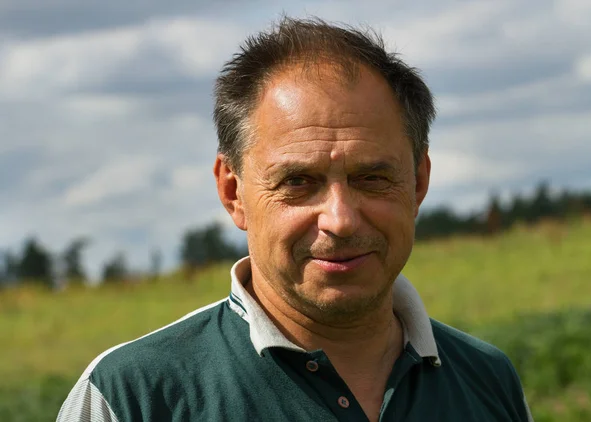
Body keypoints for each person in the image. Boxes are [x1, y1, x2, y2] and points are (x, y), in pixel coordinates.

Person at [57, 17, 534, 422]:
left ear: (419, 182)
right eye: (298, 182)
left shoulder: (486, 380)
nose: (341, 220)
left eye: (371, 178)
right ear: (233, 191)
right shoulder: (133, 397)